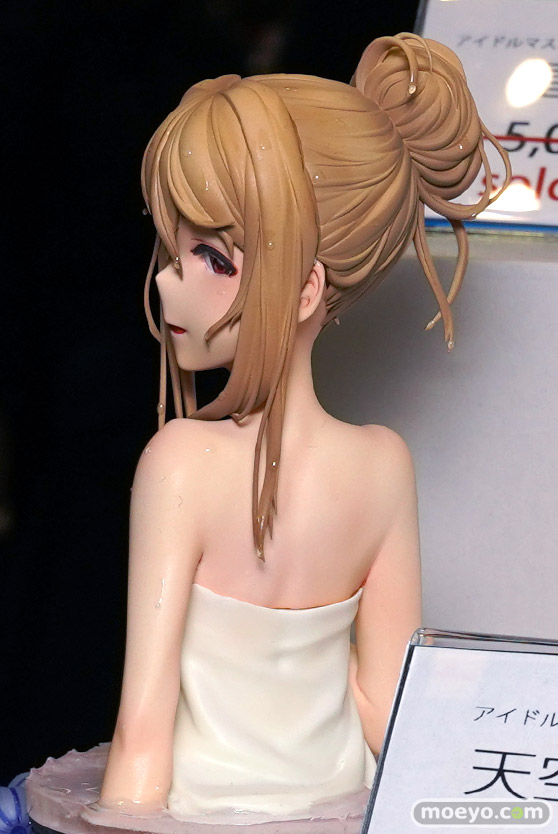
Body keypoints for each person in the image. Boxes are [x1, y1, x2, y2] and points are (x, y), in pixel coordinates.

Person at [94, 32, 509, 823]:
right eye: (173, 250)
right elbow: (388, 710)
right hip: (343, 807)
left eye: (213, 257)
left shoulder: (180, 461)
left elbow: (142, 732)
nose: (169, 283)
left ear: (306, 289)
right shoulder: (383, 464)